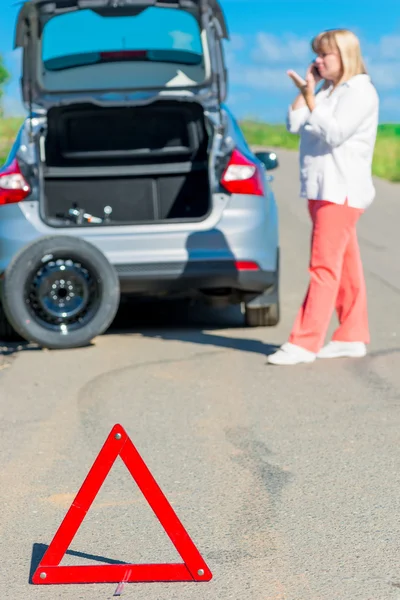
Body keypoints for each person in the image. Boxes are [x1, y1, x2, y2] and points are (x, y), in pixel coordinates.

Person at [268, 29, 379, 366]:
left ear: (344, 56)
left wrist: (312, 98)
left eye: (324, 55)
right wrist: (308, 91)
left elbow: (334, 132)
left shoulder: (361, 92)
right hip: (320, 189)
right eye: (316, 53)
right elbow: (294, 123)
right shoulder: (330, 91)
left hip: (340, 190)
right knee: (345, 267)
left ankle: (304, 342)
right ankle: (351, 336)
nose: (317, 60)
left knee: (323, 268)